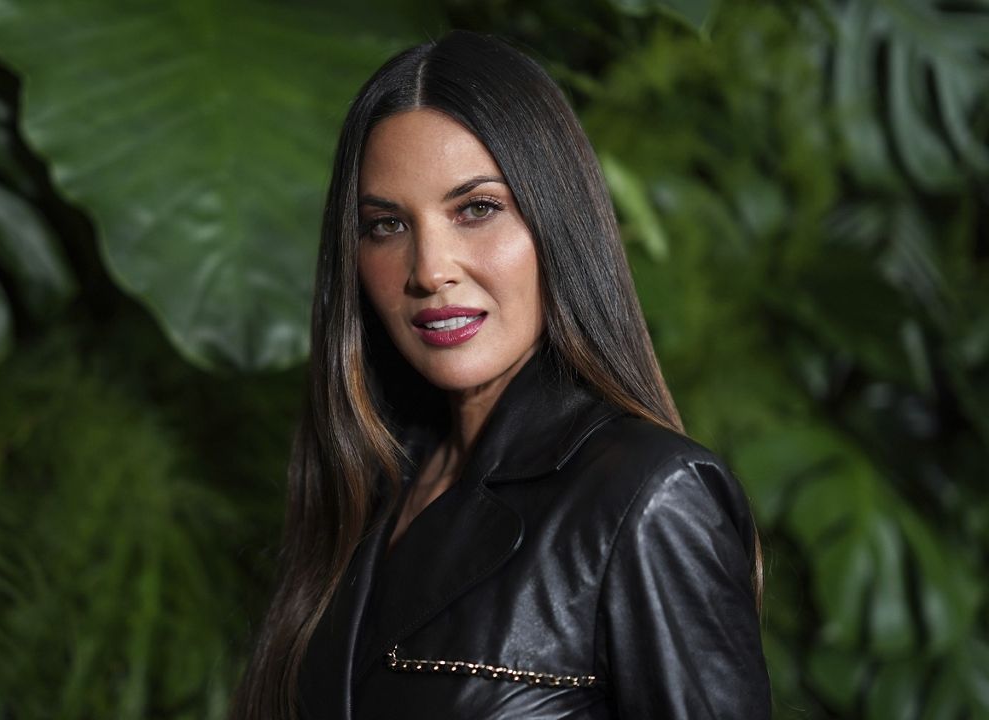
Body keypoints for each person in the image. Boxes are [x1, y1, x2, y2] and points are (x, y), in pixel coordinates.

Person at [229, 30, 770, 720]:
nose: (429, 269)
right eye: (386, 226)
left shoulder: (649, 496)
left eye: (477, 210)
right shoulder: (368, 488)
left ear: (556, 225)